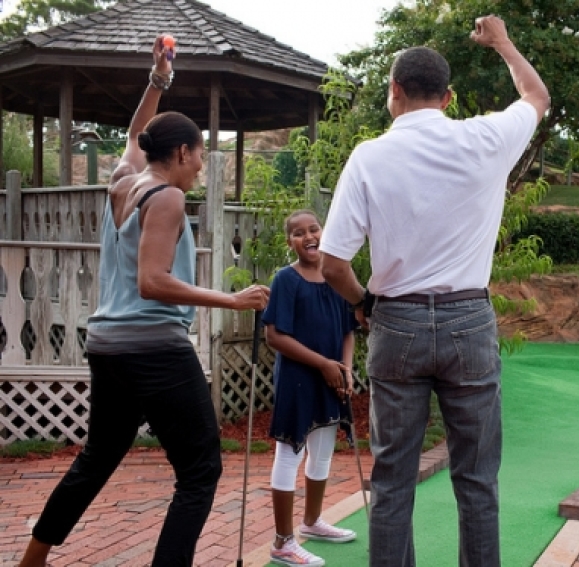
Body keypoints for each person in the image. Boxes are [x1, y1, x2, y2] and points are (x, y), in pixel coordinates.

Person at [17, 35, 270, 567]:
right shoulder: (169, 196)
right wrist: (232, 300)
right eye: (200, 153)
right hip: (154, 348)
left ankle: (32, 559)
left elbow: (136, 134)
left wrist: (159, 79)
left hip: (108, 346)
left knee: (97, 458)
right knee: (200, 472)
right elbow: (153, 282)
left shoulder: (121, 183)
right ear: (181, 153)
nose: (202, 164)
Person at [319, 14, 550, 567]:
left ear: (394, 92)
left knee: (393, 480)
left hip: (395, 323)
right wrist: (501, 41)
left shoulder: (369, 156)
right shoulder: (486, 138)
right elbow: (536, 95)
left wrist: (364, 305)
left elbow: (331, 263)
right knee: (477, 481)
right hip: (469, 320)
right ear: (448, 97)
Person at [263, 209, 359, 567]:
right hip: (299, 378)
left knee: (322, 451)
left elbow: (349, 329)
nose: (308, 236)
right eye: (298, 233)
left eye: (313, 229)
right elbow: (275, 335)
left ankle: (312, 522)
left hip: (333, 375)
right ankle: (282, 541)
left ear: (324, 232)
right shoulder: (285, 280)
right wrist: (323, 364)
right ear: (290, 241)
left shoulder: (337, 275)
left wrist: (345, 368)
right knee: (290, 454)